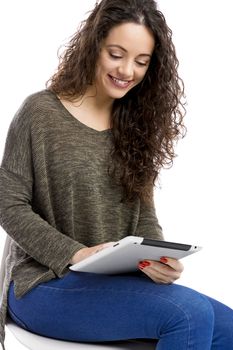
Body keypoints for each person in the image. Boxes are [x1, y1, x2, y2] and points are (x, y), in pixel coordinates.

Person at [0, 0, 232, 349]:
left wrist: (159, 260)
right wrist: (75, 254)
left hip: (114, 283)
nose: (127, 70)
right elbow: (8, 203)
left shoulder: (136, 128)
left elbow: (144, 218)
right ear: (94, 47)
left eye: (141, 61)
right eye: (116, 54)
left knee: (228, 327)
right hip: (43, 283)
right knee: (188, 314)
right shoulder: (40, 112)